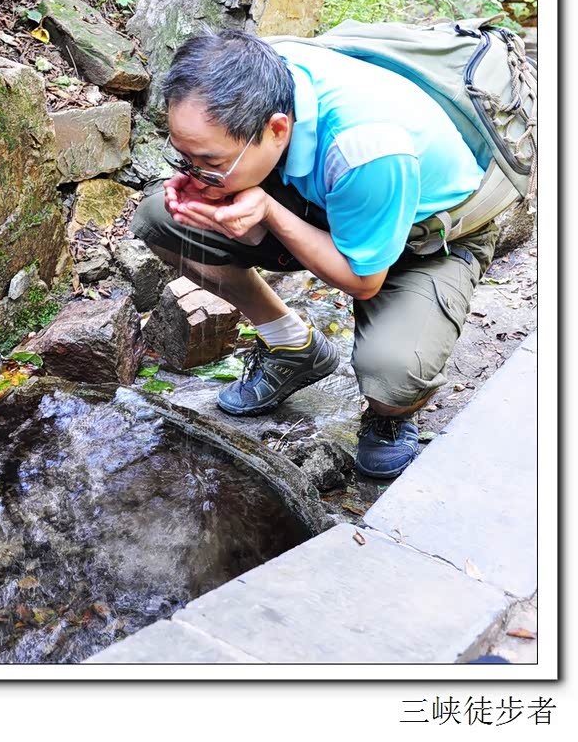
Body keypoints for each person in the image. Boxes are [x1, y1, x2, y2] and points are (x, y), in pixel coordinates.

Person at [131, 29, 499, 480]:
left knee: (392, 373)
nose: (195, 171)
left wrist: (269, 211)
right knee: (163, 220)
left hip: (424, 240)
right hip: (330, 199)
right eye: (184, 156)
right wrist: (203, 182)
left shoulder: (367, 148)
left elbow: (363, 281)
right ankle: (293, 346)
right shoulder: (258, 74)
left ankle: (390, 416)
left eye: (210, 162)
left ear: (277, 129)